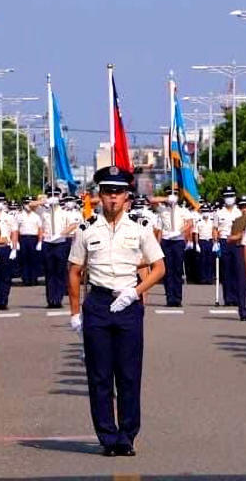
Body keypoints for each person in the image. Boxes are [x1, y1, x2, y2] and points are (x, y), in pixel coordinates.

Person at [68, 166, 166, 456]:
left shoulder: (140, 229)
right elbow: (74, 271)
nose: (112, 198)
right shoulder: (86, 230)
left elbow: (160, 267)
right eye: (107, 191)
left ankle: (127, 435)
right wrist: (75, 313)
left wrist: (135, 292)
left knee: (128, 374)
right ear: (99, 195)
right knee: (99, 375)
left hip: (127, 303)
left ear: (127, 196)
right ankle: (107, 437)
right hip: (97, 303)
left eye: (118, 192)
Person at [40, 188, 78, 308]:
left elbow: (73, 225)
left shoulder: (64, 212)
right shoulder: (44, 212)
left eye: (56, 195)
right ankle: (51, 300)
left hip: (60, 243)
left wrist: (60, 234)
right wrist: (45, 201)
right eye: (51, 195)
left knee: (60, 272)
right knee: (49, 272)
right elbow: (30, 205)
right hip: (48, 243)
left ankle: (58, 299)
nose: (54, 197)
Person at [155, 189, 193, 307]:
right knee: (168, 271)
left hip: (178, 241)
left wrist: (179, 231)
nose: (173, 197)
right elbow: (150, 200)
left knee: (177, 270)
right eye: (170, 195)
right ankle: (170, 298)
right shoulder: (162, 210)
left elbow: (190, 223)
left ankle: (177, 298)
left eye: (174, 195)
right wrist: (166, 199)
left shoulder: (183, 210)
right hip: (166, 241)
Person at [15, 198, 43, 286]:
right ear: (23, 204)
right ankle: (25, 279)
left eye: (29, 203)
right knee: (23, 259)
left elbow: (40, 229)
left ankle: (34, 279)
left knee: (34, 259)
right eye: (26, 203)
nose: (28, 205)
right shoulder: (19, 216)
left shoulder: (36, 216)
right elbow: (16, 229)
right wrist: (17, 242)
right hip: (23, 238)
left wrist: (40, 242)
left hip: (33, 239)